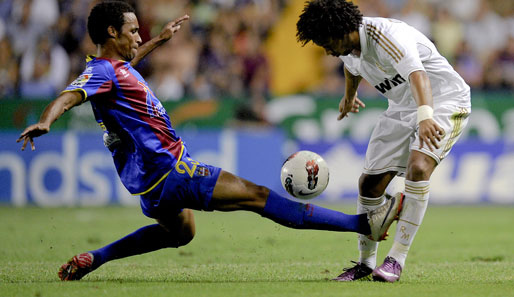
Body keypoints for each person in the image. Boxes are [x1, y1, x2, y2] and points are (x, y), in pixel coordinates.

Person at [16, 1, 402, 281]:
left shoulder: (112, 69)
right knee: (259, 198)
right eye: (134, 31)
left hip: (149, 187)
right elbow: (70, 95)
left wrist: (160, 41)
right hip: (173, 171)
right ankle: (363, 224)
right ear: (112, 33)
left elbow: (120, 68)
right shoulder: (100, 72)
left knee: (180, 233)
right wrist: (46, 120)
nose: (140, 35)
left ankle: (96, 258)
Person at [296, 0, 471, 283]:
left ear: (343, 30)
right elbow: (352, 67)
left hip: (442, 100)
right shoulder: (347, 47)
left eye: (326, 42)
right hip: (402, 106)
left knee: (419, 167)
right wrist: (349, 96)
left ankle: (396, 261)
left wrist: (425, 116)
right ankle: (365, 264)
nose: (326, 51)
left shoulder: (386, 36)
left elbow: (418, 74)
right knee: (369, 184)